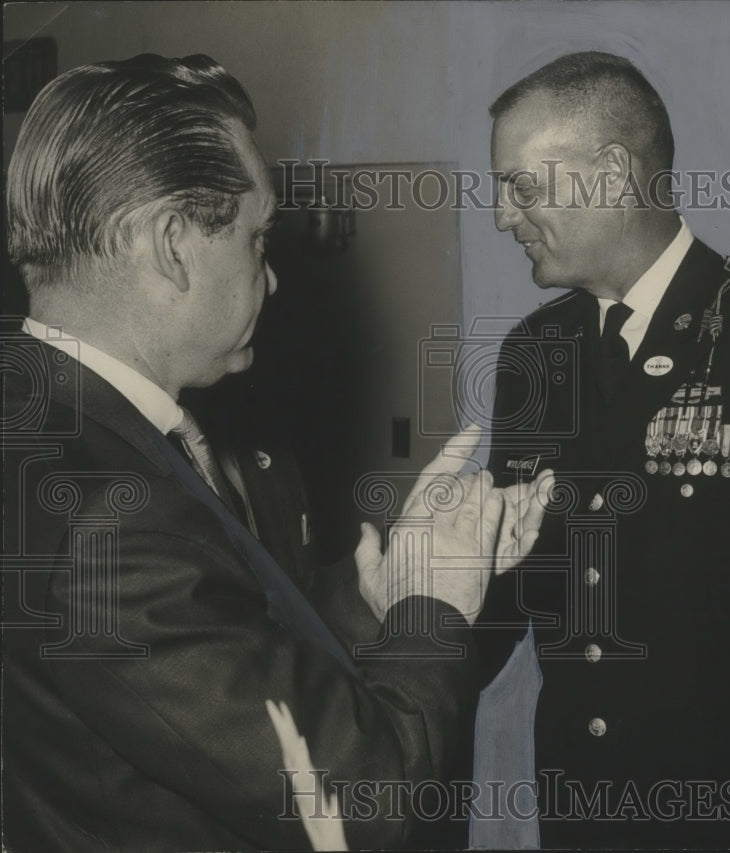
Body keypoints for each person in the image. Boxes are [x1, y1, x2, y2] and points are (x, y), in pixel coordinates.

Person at [1, 53, 549, 852]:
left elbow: (217, 644)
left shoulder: (60, 422)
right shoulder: (106, 524)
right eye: (258, 240)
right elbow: (366, 804)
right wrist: (434, 608)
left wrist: (382, 594)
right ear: (171, 244)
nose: (274, 280)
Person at [473, 51, 730, 849]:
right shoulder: (536, 356)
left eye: (522, 186)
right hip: (580, 805)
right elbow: (512, 589)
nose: (504, 216)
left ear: (612, 173)